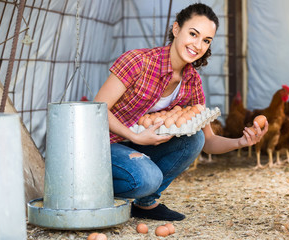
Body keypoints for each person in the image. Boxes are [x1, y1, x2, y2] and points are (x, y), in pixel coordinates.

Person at [94, 3, 268, 221]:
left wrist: (241, 142)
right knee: (147, 178)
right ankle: (93, 192)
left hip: (139, 144)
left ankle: (145, 203)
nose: (198, 45)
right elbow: (97, 109)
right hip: (105, 145)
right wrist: (135, 136)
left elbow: (207, 141)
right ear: (176, 29)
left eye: (206, 40)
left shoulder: (191, 81)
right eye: (193, 34)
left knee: (193, 139)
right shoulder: (139, 62)